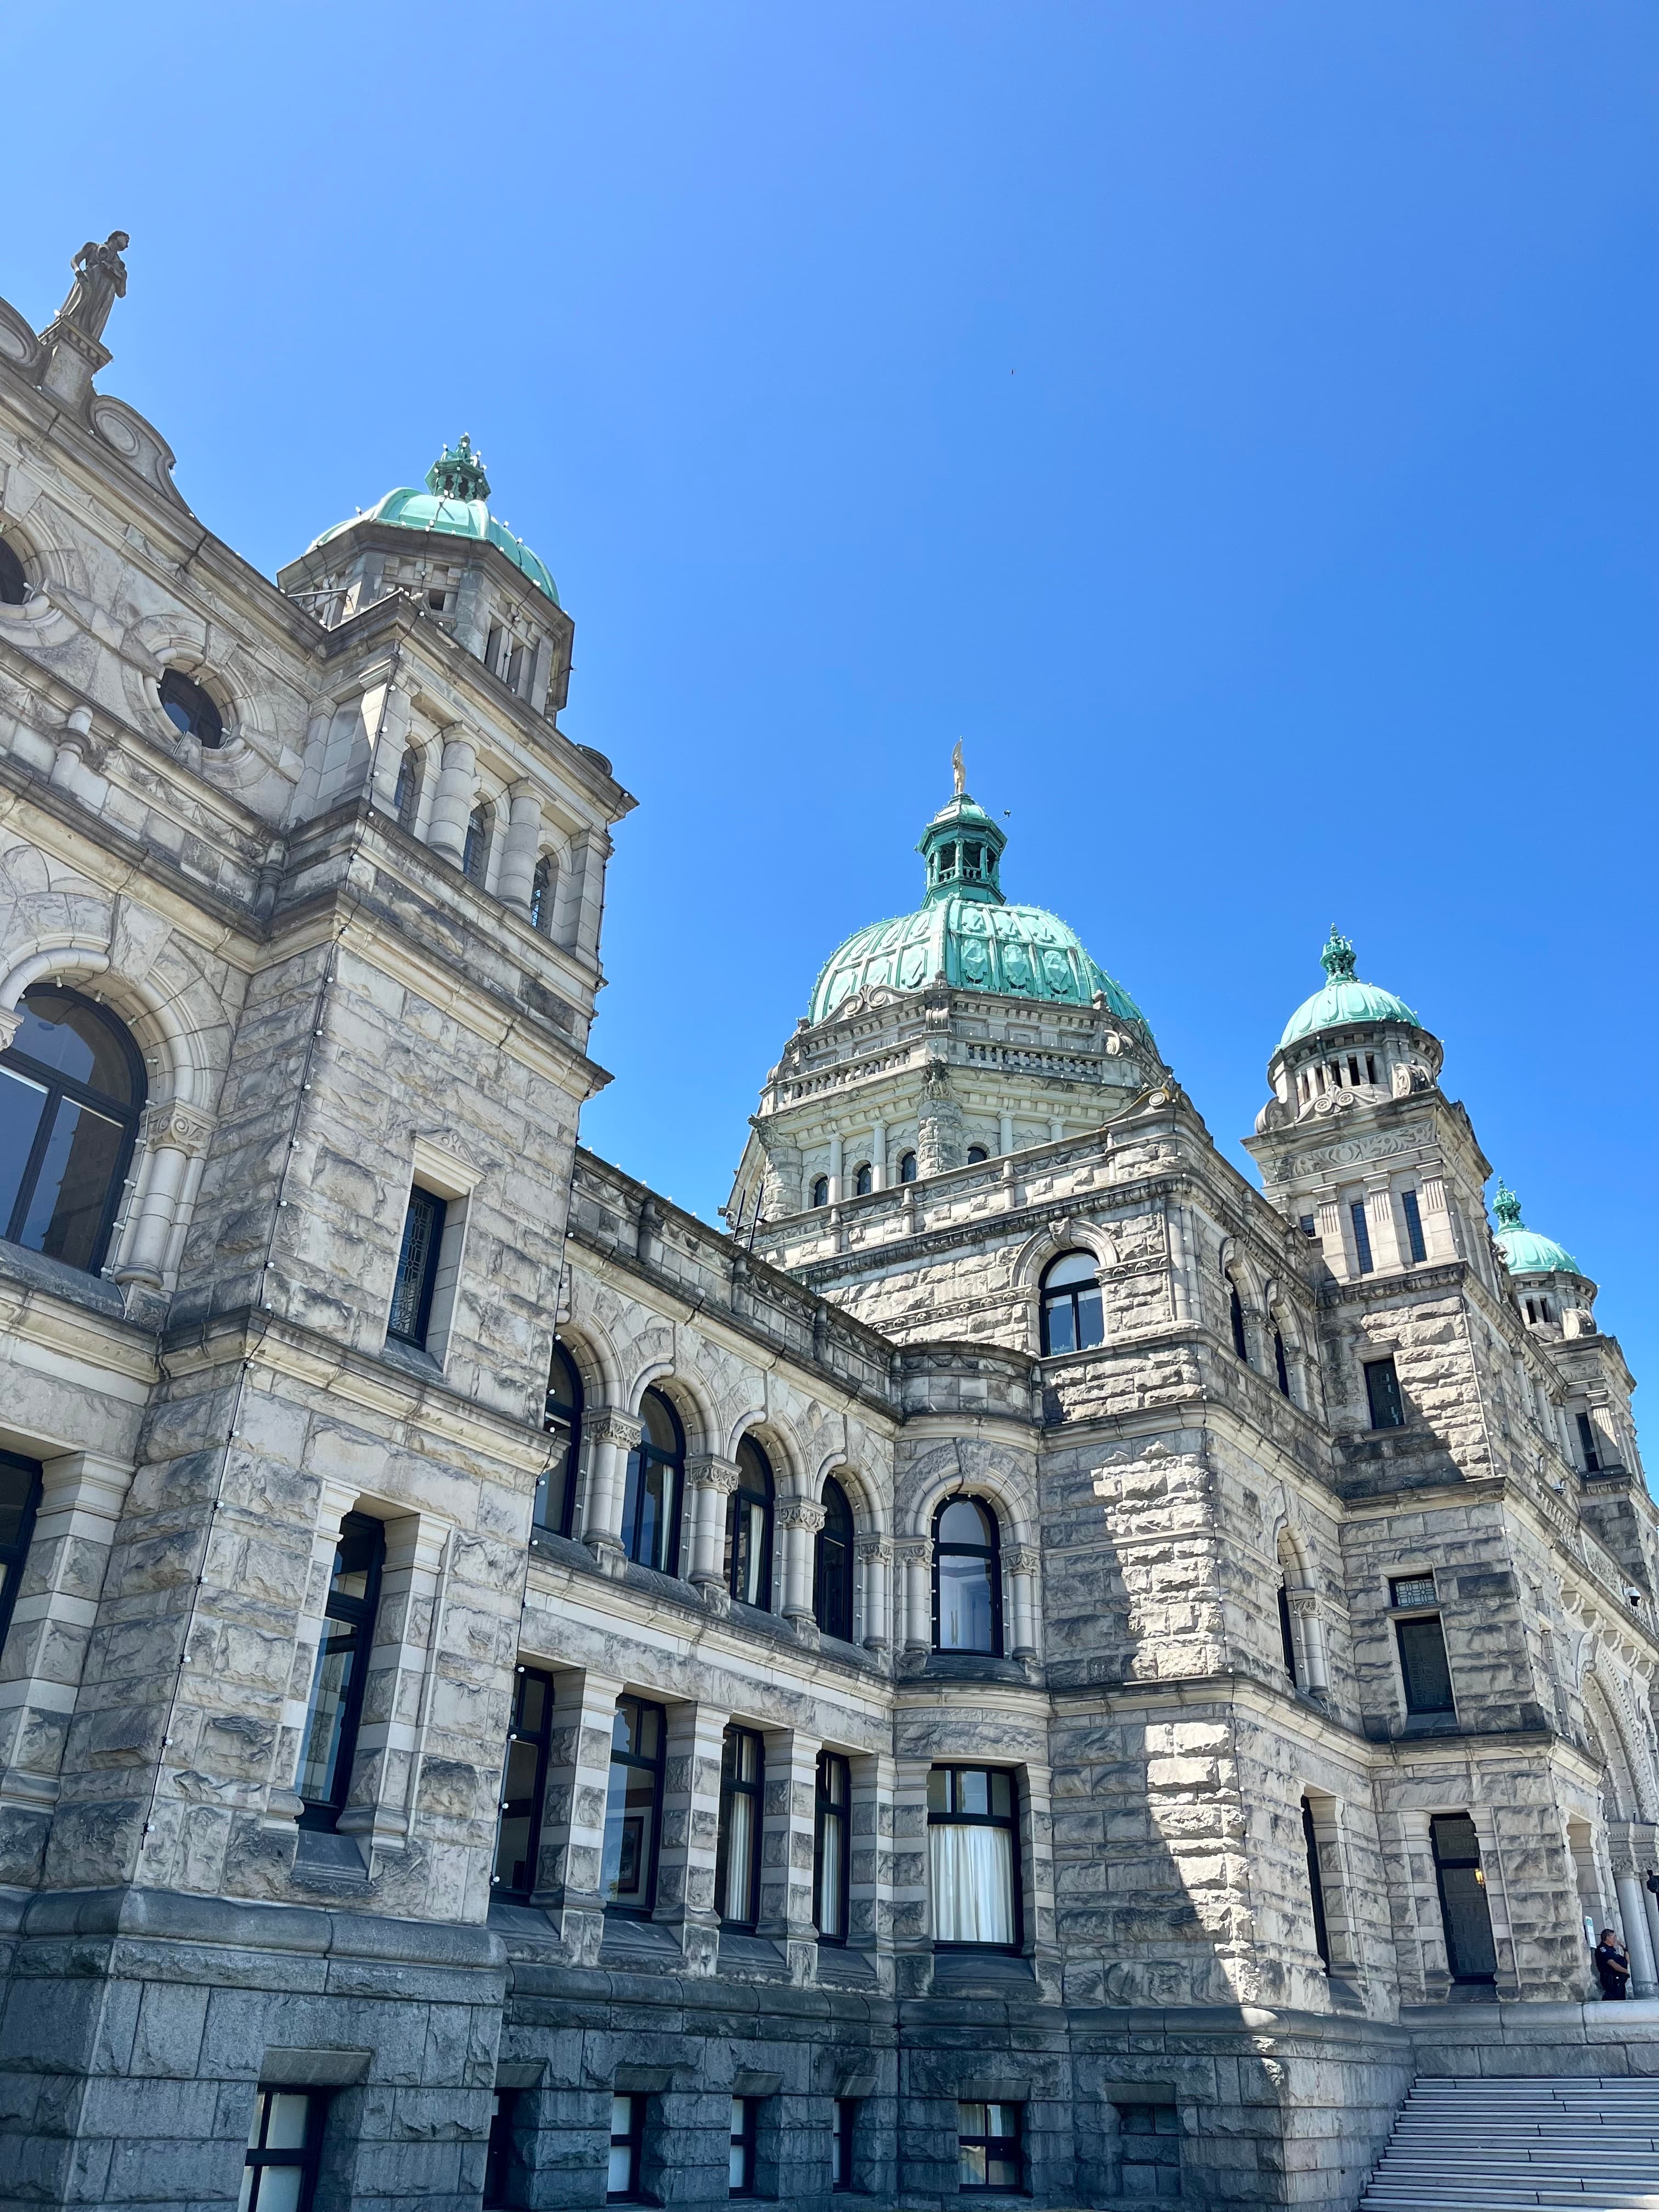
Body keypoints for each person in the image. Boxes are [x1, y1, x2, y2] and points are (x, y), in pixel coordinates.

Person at [1595, 1928, 1631, 2000]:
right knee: (1615, 1999)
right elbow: (1613, 1965)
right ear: (1607, 1938)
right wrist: (1627, 1971)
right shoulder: (1603, 1949)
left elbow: (1627, 1961)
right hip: (1611, 1979)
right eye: (1613, 1937)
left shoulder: (1612, 1950)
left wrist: (1624, 1948)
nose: (1615, 1939)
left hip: (1619, 1980)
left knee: (1621, 1999)